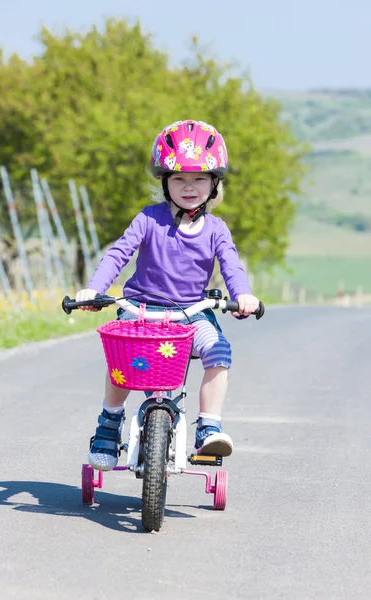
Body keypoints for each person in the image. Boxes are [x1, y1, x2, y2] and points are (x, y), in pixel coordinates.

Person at [76, 119, 260, 472]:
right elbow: (118, 253)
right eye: (179, 179)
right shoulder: (149, 219)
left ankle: (209, 427)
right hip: (140, 310)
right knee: (122, 362)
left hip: (191, 314)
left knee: (219, 350)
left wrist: (243, 296)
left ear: (214, 184)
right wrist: (95, 289)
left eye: (199, 179)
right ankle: (109, 423)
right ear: (164, 182)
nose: (189, 187)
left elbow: (232, 266)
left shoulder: (217, 230)